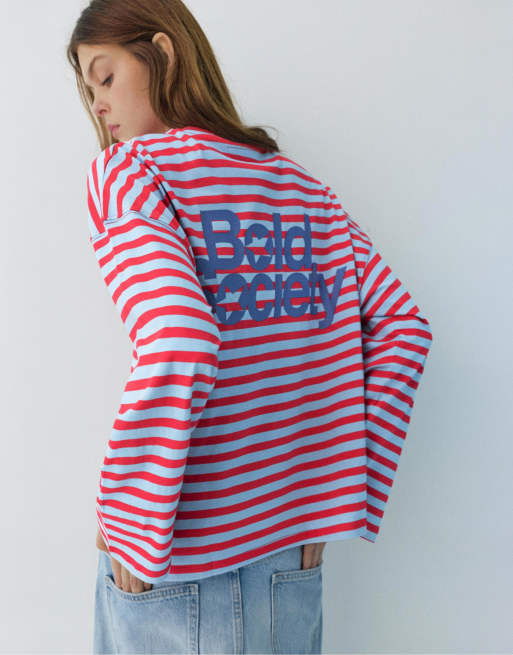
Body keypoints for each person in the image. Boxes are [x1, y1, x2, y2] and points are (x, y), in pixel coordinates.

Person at [67, 1, 433, 653]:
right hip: (289, 563)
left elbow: (180, 337)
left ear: (163, 52)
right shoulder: (301, 187)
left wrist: (133, 525)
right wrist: (334, 498)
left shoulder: (131, 171)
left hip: (171, 563)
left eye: (105, 76)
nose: (96, 103)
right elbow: (403, 328)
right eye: (87, 87)